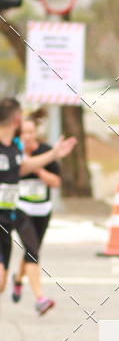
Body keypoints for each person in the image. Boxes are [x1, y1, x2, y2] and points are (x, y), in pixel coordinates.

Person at [0, 97, 76, 341]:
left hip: (7, 221)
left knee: (0, 283)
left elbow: (22, 168)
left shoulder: (13, 148)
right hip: (9, 217)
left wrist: (53, 154)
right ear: (18, 120)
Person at [13, 110, 61, 314]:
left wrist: (38, 168)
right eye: (23, 133)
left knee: (32, 251)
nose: (28, 136)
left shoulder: (46, 151)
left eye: (31, 132)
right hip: (20, 209)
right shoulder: (12, 155)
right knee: (32, 252)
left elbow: (56, 182)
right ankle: (40, 298)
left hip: (43, 210)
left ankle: (17, 278)